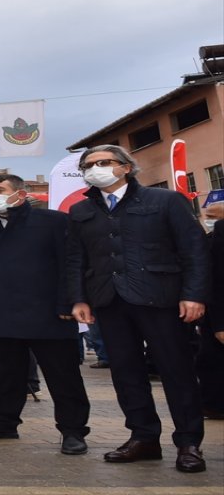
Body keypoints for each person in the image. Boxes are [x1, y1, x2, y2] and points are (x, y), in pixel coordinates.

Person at [66, 145, 209, 472]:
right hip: (109, 301)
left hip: (161, 298)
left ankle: (188, 442)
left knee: (177, 371)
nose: (95, 168)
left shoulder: (166, 201)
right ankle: (143, 437)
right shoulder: (81, 211)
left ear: (126, 167)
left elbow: (194, 251)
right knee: (126, 373)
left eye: (104, 162)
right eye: (89, 165)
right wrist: (78, 299)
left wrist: (195, 295)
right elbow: (75, 259)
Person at [0, 174, 90, 454]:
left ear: (20, 193)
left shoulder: (54, 221)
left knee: (63, 376)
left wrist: (68, 303)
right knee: (6, 375)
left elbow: (70, 264)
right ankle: (4, 423)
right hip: (1, 314)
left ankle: (73, 430)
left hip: (50, 315)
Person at [197, 202, 224, 419]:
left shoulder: (218, 239)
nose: (208, 219)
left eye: (213, 216)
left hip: (216, 317)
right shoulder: (211, 240)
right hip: (214, 316)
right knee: (210, 361)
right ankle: (213, 405)